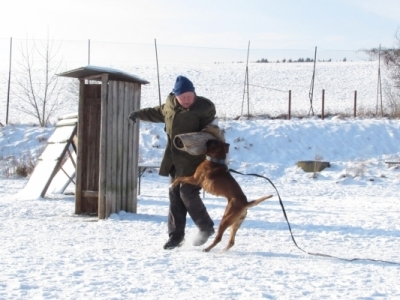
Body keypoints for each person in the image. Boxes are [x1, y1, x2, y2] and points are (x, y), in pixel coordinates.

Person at [129, 75, 216, 250]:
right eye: (183, 97)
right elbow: (155, 112)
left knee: (187, 192)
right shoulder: (169, 107)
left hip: (197, 161)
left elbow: (212, 129)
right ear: (176, 96)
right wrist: (138, 114)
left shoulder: (204, 108)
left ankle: (206, 227)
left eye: (190, 96)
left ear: (194, 94)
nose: (187, 100)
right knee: (175, 195)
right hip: (175, 162)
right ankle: (176, 236)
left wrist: (210, 140)